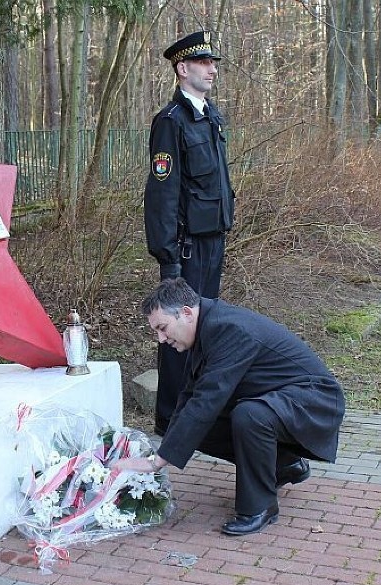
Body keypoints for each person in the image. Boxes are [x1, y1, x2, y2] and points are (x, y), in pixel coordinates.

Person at [116, 279, 345, 536]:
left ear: (187, 313)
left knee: (249, 416)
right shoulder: (208, 327)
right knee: (191, 427)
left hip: (315, 400)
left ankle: (260, 508)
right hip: (283, 397)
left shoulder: (229, 329)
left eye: (162, 327)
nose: (160, 338)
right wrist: (164, 449)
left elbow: (208, 398)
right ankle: (283, 464)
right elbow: (191, 396)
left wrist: (155, 464)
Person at [144, 31, 235, 436]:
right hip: (187, 247)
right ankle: (170, 419)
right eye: (204, 63)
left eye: (213, 63)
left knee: (205, 329)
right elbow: (162, 194)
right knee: (177, 329)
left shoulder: (210, 116)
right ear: (183, 69)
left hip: (212, 239)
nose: (213, 68)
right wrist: (169, 258)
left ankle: (195, 414)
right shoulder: (171, 122)